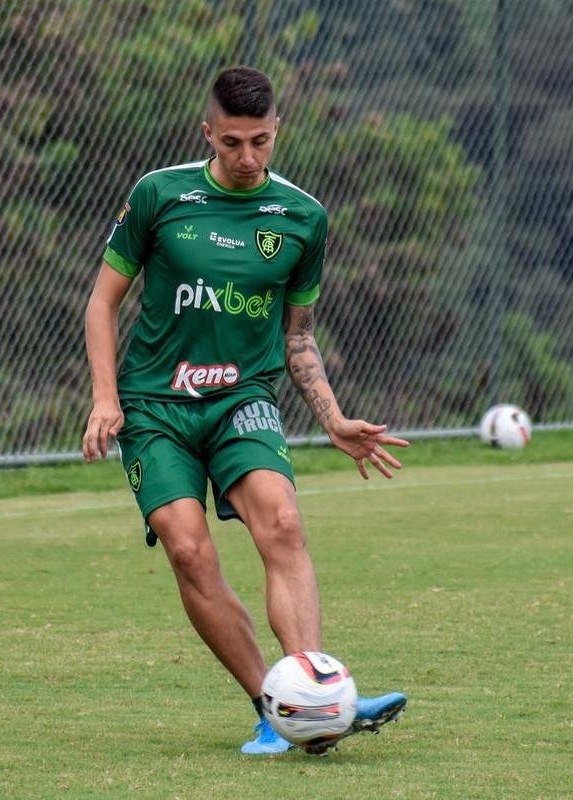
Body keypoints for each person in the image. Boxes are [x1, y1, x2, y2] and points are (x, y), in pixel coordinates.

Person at [82, 66, 408, 755]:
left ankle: (316, 699)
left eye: (260, 141)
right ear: (209, 132)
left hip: (242, 401)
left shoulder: (303, 217)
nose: (248, 157)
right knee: (188, 549)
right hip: (155, 406)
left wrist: (332, 417)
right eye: (232, 142)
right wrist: (106, 398)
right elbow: (102, 302)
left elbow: (298, 336)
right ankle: (273, 704)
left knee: (283, 524)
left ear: (277, 130)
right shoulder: (159, 195)